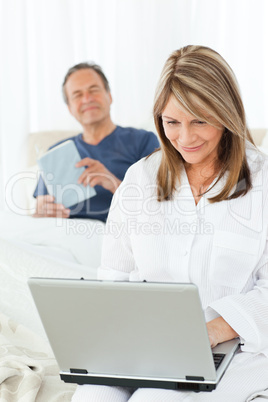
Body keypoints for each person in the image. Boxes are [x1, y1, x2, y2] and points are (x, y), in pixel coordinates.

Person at [71, 46, 268, 401]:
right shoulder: (140, 178)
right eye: (172, 122)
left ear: (226, 113)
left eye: (200, 121)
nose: (186, 139)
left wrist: (210, 331)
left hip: (234, 348)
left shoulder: (263, 182)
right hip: (143, 346)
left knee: (155, 398)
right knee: (90, 397)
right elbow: (113, 279)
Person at [33, 62, 159, 222]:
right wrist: (42, 211)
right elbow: (37, 214)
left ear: (109, 96)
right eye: (77, 95)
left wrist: (112, 183)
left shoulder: (143, 140)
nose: (87, 99)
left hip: (115, 232)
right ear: (70, 108)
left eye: (94, 90)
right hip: (63, 234)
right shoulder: (55, 152)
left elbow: (158, 205)